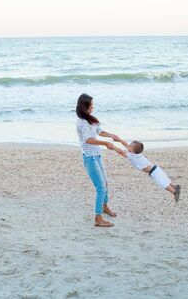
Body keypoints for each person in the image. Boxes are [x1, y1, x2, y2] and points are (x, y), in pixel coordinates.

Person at [76, 93, 119, 227]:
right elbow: (88, 140)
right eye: (91, 105)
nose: (93, 107)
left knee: (105, 183)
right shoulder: (81, 122)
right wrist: (105, 144)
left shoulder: (90, 119)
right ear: (84, 106)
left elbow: (99, 132)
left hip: (97, 155)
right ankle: (98, 218)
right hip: (90, 157)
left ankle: (104, 206)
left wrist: (111, 136)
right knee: (100, 187)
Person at [111, 138, 181, 202]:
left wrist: (113, 147)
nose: (128, 147)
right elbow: (126, 145)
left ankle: (174, 192)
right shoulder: (136, 154)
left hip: (154, 172)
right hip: (156, 168)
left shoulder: (133, 156)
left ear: (133, 150)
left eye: (130, 147)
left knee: (163, 183)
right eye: (129, 146)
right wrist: (119, 140)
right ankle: (175, 187)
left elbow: (121, 152)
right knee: (165, 179)